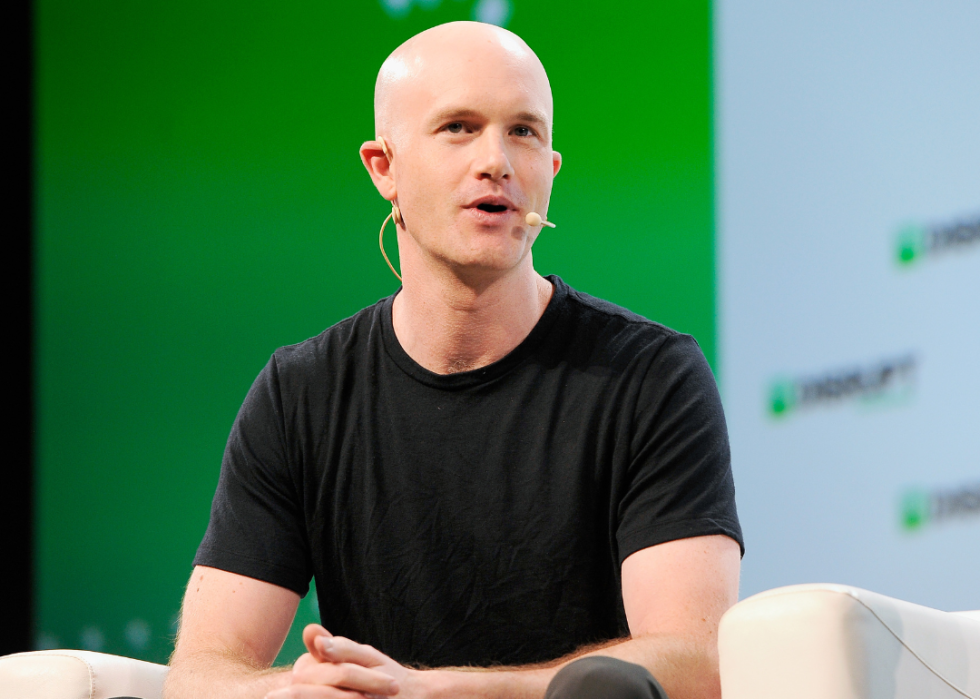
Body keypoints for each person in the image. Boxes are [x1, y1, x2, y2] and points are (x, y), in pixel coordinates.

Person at [164, 20, 742, 699]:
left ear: (550, 172)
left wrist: (432, 691)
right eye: (459, 127)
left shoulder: (650, 377)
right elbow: (200, 673)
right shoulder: (300, 395)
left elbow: (693, 658)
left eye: (524, 131)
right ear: (384, 167)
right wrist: (288, 692)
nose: (497, 159)